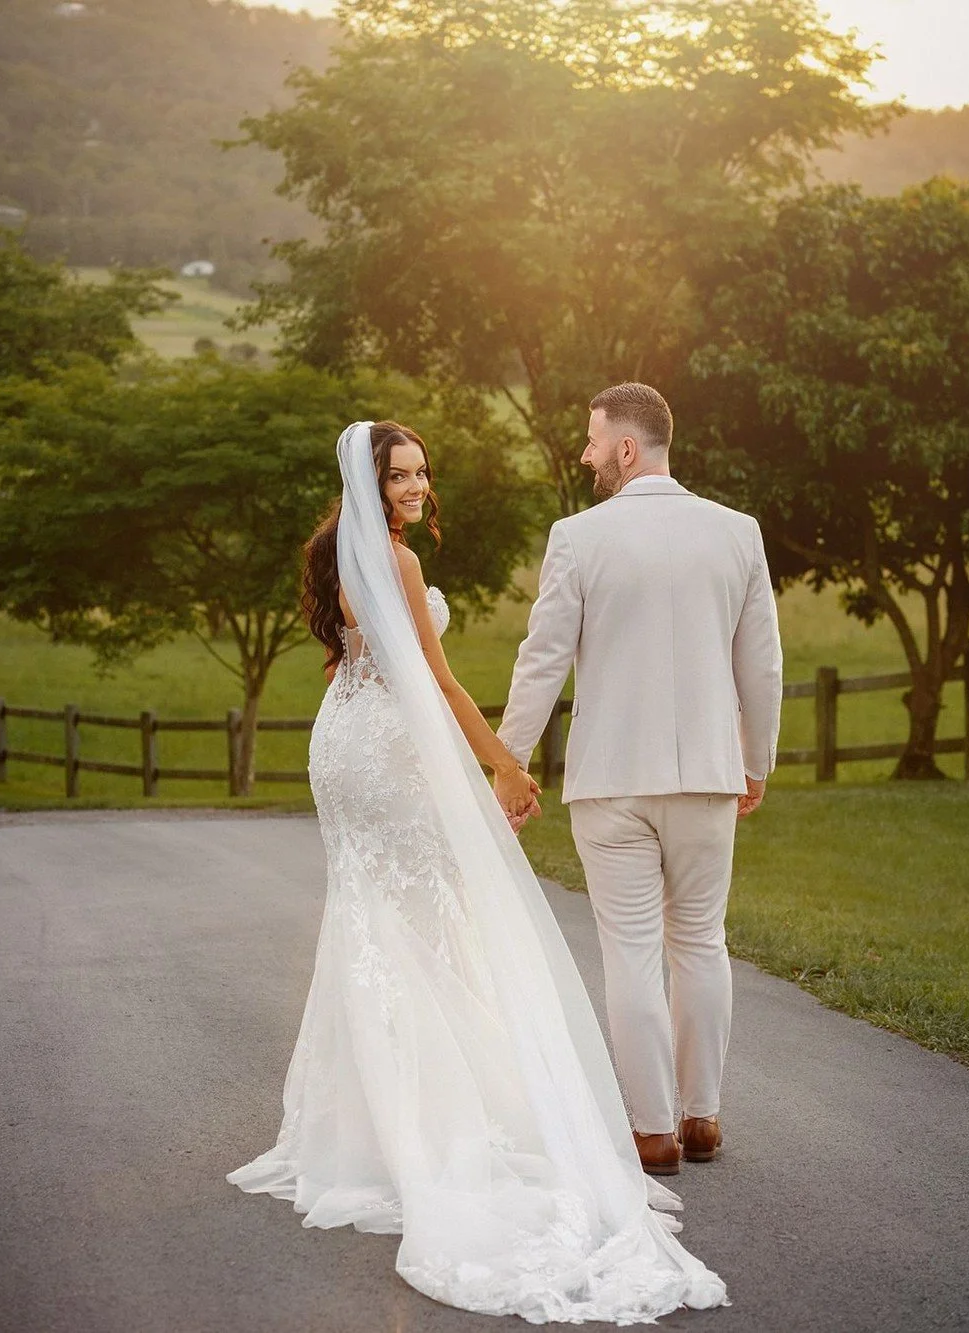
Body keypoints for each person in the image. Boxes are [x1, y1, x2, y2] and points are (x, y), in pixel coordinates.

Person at [227, 420, 727, 1322]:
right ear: (370, 482)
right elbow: (442, 681)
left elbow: (358, 661)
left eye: (421, 471)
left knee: (374, 919)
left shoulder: (341, 547)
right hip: (381, 749)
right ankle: (425, 1125)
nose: (417, 486)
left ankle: (375, 1125)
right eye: (401, 475)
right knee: (425, 921)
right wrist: (504, 760)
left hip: (341, 740)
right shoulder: (397, 562)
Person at [498, 383, 783, 1177]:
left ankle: (651, 1133)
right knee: (699, 941)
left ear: (626, 447)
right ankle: (702, 1119)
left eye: (592, 442)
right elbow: (760, 664)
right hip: (704, 776)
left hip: (610, 780)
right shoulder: (736, 533)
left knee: (628, 950)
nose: (585, 455)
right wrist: (752, 760)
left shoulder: (576, 537)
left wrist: (509, 761)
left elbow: (542, 660)